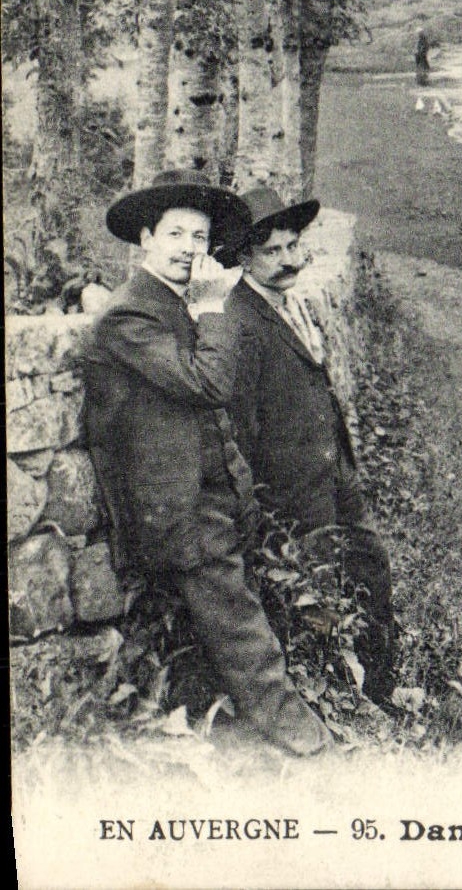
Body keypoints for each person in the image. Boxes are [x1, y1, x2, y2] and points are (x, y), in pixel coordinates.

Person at [80, 170, 331, 756]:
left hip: (211, 498)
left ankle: (235, 727)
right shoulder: (130, 315)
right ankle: (312, 747)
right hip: (178, 508)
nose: (188, 250)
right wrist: (215, 306)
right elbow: (208, 384)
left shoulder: (176, 302)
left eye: (199, 238)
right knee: (243, 631)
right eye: (175, 235)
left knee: (231, 621)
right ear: (146, 238)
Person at [222, 185, 396, 705]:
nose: (287, 260)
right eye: (271, 251)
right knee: (315, 598)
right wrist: (263, 507)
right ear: (244, 258)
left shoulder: (289, 305)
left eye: (292, 246)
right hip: (292, 493)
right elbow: (241, 430)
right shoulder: (241, 323)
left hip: (333, 472)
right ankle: (338, 698)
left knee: (371, 566)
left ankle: (381, 687)